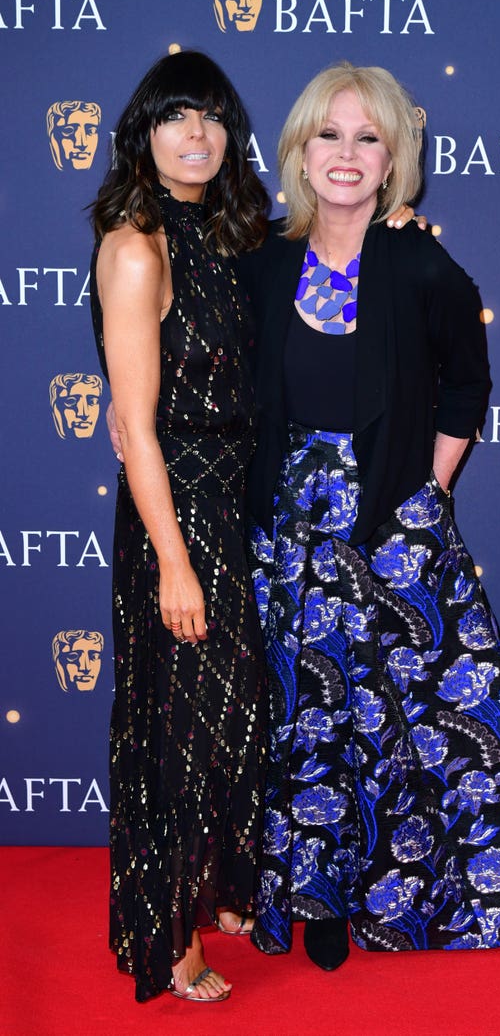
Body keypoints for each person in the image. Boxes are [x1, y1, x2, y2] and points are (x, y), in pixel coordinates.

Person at [243, 62, 500, 975]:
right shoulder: (262, 260)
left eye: (367, 137)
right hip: (293, 526)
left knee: (467, 712)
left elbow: (468, 385)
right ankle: (324, 899)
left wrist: (430, 490)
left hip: (398, 516)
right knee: (318, 717)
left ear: (394, 158)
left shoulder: (418, 260)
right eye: (329, 135)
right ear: (299, 149)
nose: (347, 154)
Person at [89, 50, 271, 1003]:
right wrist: (172, 562)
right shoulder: (136, 245)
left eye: (211, 118)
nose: (196, 135)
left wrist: (393, 220)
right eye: (176, 117)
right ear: (144, 134)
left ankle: (218, 892)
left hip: (238, 506)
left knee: (237, 717)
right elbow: (136, 427)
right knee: (178, 732)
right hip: (179, 513)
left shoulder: (230, 234)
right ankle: (171, 943)